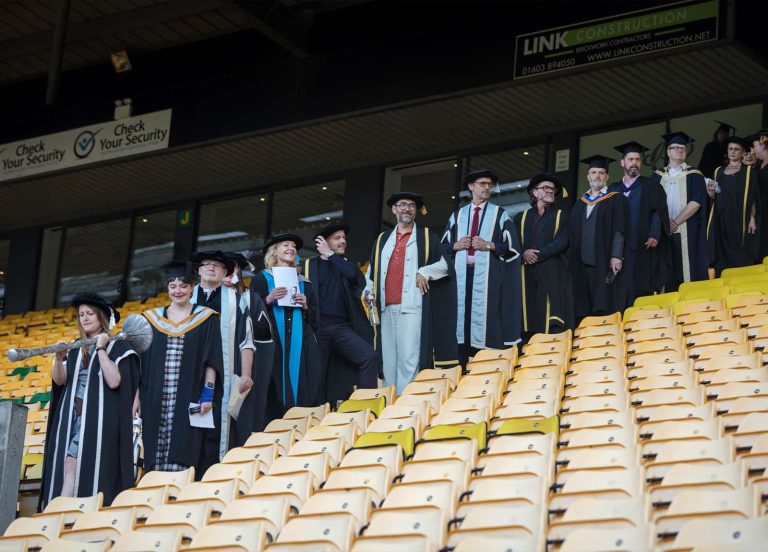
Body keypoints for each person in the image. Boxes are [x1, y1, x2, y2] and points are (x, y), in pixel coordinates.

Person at [40, 293, 139, 508]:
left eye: (90, 314)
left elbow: (115, 382)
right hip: (73, 419)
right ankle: (60, 510)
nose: (84, 318)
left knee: (83, 466)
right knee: (69, 464)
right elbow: (60, 380)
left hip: (99, 420)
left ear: (100, 317)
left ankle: (67, 511)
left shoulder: (118, 346)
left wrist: (101, 348)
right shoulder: (76, 347)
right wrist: (58, 358)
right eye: (81, 314)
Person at [365, 192, 458, 394]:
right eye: (402, 205)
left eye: (412, 206)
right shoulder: (383, 239)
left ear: (416, 211)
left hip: (412, 306)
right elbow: (372, 273)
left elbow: (446, 265)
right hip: (385, 307)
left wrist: (424, 271)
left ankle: (407, 402)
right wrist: (367, 290)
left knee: (409, 357)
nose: (407, 209)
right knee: (389, 358)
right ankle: (391, 402)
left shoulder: (427, 236)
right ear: (394, 209)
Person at [140, 261, 223, 476]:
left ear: (192, 288)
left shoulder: (206, 318)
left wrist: (208, 392)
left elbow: (212, 360)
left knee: (184, 446)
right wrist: (137, 397)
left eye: (183, 286)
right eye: (173, 286)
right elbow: (141, 363)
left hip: (190, 393)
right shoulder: (151, 319)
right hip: (156, 395)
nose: (178, 291)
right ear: (167, 289)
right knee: (154, 449)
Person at [441, 169, 522, 364]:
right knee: (461, 317)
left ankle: (485, 362)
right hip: (461, 276)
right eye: (482, 183)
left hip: (488, 278)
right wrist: (455, 245)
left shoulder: (500, 214)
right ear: (471, 187)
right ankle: (461, 362)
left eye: (489, 184)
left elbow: (513, 248)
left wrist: (488, 245)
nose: (487, 187)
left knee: (486, 317)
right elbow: (442, 247)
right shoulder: (457, 216)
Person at [304, 222, 378, 405]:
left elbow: (354, 276)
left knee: (369, 356)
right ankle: (312, 417)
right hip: (318, 329)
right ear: (323, 242)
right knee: (316, 374)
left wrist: (330, 255)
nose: (343, 241)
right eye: (337, 238)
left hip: (341, 328)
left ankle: (365, 405)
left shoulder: (345, 265)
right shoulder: (308, 266)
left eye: (344, 238)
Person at [190, 250, 255, 459]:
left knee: (217, 428)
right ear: (198, 270)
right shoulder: (185, 298)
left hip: (224, 372)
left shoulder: (237, 301)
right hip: (190, 371)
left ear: (225, 272)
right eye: (206, 264)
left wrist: (246, 374)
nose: (210, 268)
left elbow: (247, 341)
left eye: (216, 266)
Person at [250, 234, 322, 412]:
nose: (291, 248)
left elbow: (316, 319)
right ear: (274, 252)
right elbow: (250, 311)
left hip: (301, 342)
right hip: (272, 340)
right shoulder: (261, 279)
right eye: (285, 245)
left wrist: (305, 305)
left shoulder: (305, 283)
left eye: (293, 246)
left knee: (304, 378)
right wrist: (267, 299)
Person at [608, 141, 670, 304]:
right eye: (630, 159)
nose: (634, 163)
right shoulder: (613, 190)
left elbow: (657, 212)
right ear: (623, 163)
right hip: (619, 250)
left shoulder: (650, 186)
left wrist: (654, 235)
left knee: (641, 289)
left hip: (643, 246)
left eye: (637, 159)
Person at [570, 155, 630, 321]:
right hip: (581, 262)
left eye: (601, 173)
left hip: (603, 260)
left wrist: (616, 255)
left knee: (603, 302)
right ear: (588, 176)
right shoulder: (580, 203)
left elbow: (619, 229)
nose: (597, 176)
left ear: (607, 177)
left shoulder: (615, 198)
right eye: (594, 172)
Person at [514, 173, 573, 337]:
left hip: (551, 270)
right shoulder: (521, 217)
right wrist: (524, 253)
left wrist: (537, 255)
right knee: (527, 311)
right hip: (526, 272)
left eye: (552, 189)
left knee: (548, 312)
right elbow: (514, 243)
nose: (550, 191)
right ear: (535, 192)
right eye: (545, 188)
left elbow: (563, 241)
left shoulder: (562, 216)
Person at [649, 131, 709, 289]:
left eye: (682, 148)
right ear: (668, 152)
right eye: (675, 148)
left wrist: (675, 222)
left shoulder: (694, 175)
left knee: (686, 270)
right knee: (665, 272)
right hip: (663, 233)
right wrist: (664, 224)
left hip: (686, 230)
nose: (679, 150)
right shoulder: (656, 177)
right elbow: (652, 205)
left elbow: (696, 202)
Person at [224, 252, 275, 434]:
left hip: (244, 367)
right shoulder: (206, 300)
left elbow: (263, 341)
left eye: (233, 267)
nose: (229, 271)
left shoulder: (251, 298)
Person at [707, 136, 760, 275]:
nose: (733, 152)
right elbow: (714, 197)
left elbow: (753, 197)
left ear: (742, 153)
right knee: (721, 255)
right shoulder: (718, 171)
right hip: (721, 219)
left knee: (740, 255)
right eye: (730, 149)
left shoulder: (748, 172)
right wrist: (710, 193)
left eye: (737, 149)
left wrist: (752, 217)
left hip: (739, 219)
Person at [752, 130, 768, 260]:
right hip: (760, 215)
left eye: (755, 146)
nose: (753, 150)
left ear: (763, 146)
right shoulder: (757, 167)